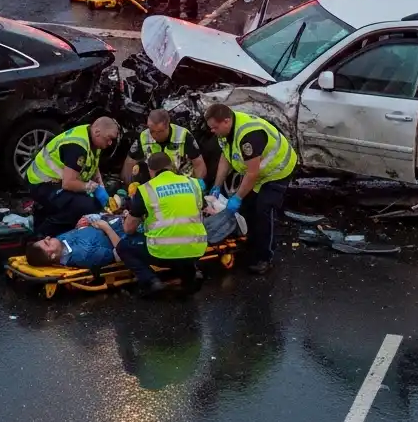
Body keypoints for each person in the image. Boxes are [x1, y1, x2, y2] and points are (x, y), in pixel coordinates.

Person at [204, 103, 296, 274]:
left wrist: (237, 197)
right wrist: (216, 186)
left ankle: (265, 258)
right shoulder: (226, 131)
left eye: (215, 127)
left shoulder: (249, 136)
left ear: (226, 121)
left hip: (277, 171)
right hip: (259, 172)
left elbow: (252, 174)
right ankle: (252, 244)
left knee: (263, 210)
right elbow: (226, 158)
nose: (212, 131)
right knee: (248, 208)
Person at [117, 152, 209, 296]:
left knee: (124, 246)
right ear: (171, 167)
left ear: (150, 170)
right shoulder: (193, 183)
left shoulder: (147, 189)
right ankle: (190, 274)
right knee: (181, 242)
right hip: (196, 249)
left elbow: (129, 229)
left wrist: (135, 217)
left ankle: (151, 281)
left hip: (161, 252)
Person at [25, 117, 121, 238]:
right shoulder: (77, 147)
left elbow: (93, 163)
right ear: (97, 132)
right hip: (41, 183)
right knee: (85, 206)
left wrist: (100, 185)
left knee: (91, 200)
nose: (110, 143)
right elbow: (68, 183)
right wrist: (93, 188)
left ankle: (49, 215)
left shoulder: (92, 136)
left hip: (56, 181)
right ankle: (44, 232)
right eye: (109, 139)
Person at [120, 109, 207, 184]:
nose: (154, 135)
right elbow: (130, 162)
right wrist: (127, 187)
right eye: (151, 130)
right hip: (156, 185)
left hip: (182, 183)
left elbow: (198, 164)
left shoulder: (183, 136)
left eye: (159, 132)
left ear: (167, 126)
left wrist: (198, 185)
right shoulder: (144, 136)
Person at [23, 213, 129, 269]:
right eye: (47, 243)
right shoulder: (84, 255)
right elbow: (122, 254)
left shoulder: (60, 242)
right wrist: (106, 228)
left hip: (118, 220)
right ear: (52, 256)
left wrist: (82, 224)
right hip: (127, 232)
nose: (48, 238)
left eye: (44, 239)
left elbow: (79, 232)